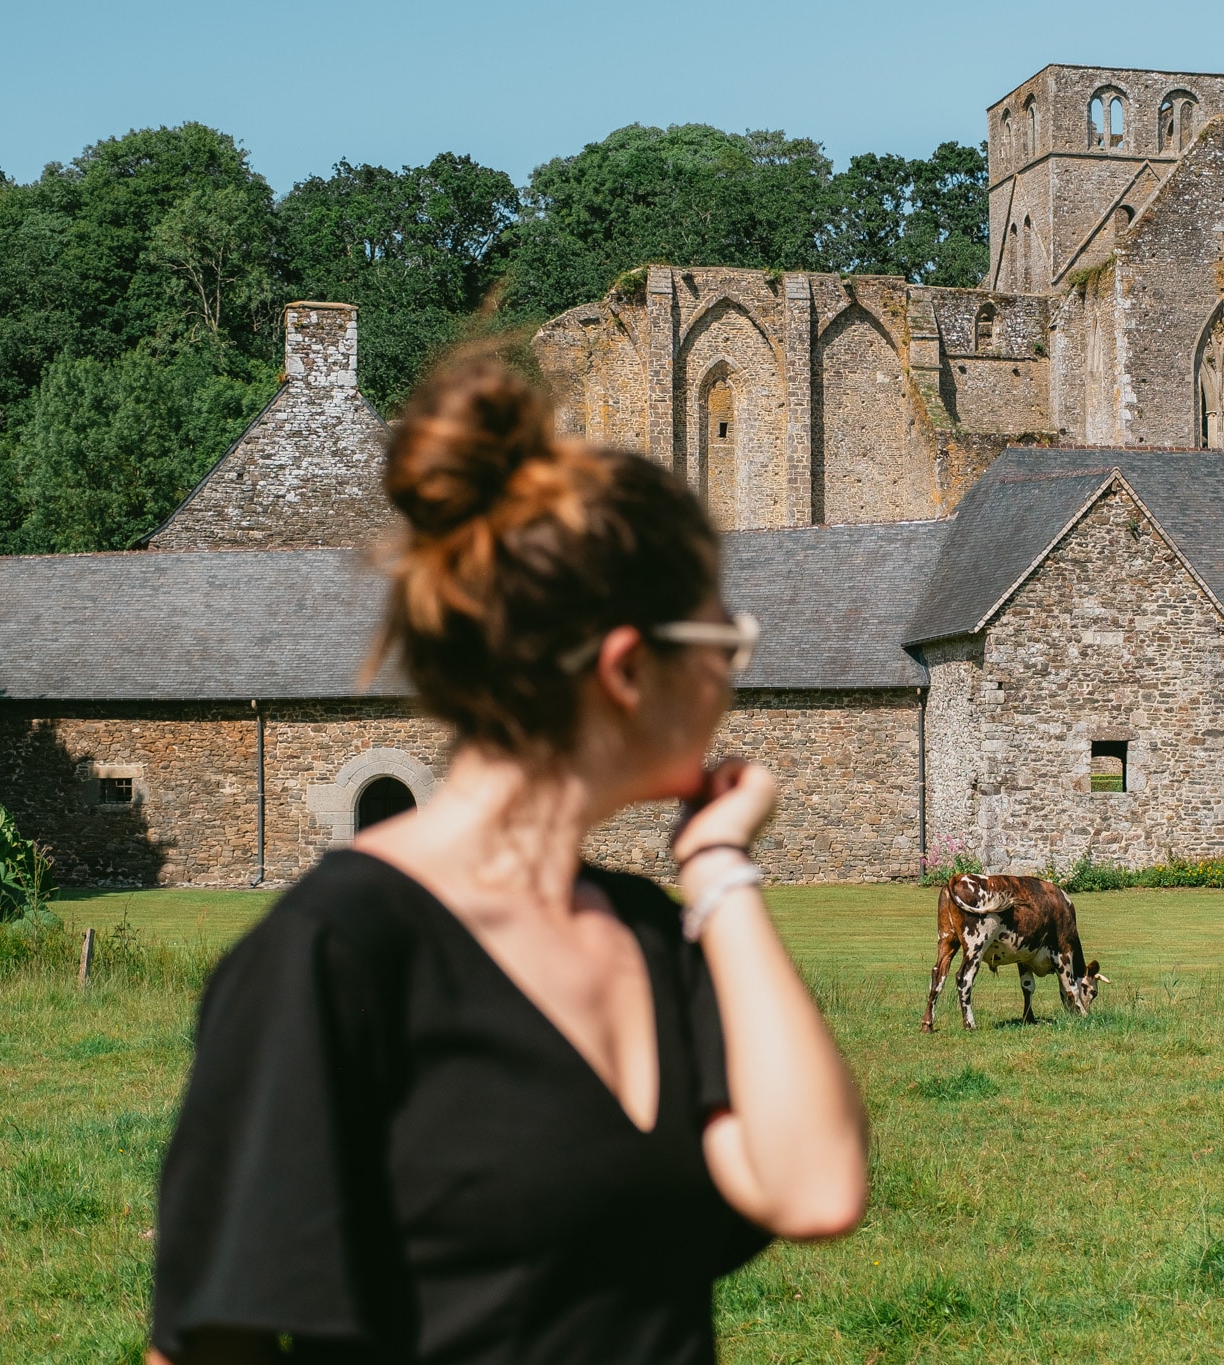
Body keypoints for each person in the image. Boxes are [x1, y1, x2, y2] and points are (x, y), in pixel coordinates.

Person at [148, 357, 869, 1364]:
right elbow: (207, 1345)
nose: (733, 674)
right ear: (626, 669)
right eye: (722, 639)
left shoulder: (653, 933)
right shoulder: (339, 950)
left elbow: (816, 1187)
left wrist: (719, 873)